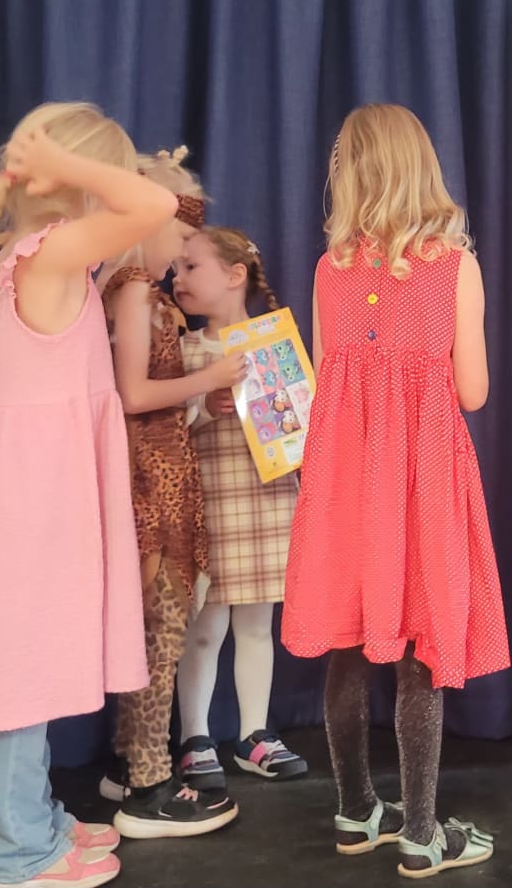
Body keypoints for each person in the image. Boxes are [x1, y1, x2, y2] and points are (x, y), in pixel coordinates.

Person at [282, 104, 509, 878]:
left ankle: (356, 810)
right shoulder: (455, 266)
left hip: (345, 481)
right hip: (424, 479)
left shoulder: (330, 269)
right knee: (421, 642)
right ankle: (420, 832)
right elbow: (473, 391)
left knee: (347, 643)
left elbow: (325, 383)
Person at [0, 102, 178, 887]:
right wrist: (69, 167)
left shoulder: (22, 264)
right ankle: (11, 852)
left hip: (24, 482)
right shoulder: (53, 254)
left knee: (37, 648)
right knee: (26, 665)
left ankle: (34, 816)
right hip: (34, 489)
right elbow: (154, 203)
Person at [97, 149, 244, 838]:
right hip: (150, 483)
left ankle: (133, 761)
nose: (183, 255)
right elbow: (133, 394)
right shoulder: (134, 291)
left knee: (157, 626)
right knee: (161, 631)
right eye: (181, 238)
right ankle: (150, 784)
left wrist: (200, 399)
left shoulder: (138, 294)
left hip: (163, 471)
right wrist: (209, 377)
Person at [172, 226, 308, 789]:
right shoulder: (184, 350)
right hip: (208, 504)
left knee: (256, 626)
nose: (177, 278)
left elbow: (300, 424)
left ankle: (254, 735)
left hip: (265, 501)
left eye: (190, 267)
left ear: (234, 276)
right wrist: (205, 404)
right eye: (175, 268)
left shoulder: (274, 344)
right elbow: (163, 429)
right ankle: (195, 738)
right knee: (203, 629)